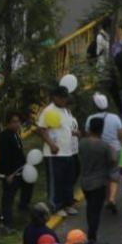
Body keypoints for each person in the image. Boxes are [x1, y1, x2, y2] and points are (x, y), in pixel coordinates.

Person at [38, 86, 80, 215]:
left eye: (65, 98)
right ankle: (56, 206)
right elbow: (41, 129)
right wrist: (51, 144)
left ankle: (68, 204)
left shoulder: (66, 110)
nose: (64, 100)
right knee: (56, 181)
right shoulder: (49, 111)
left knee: (68, 179)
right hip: (55, 153)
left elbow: (64, 128)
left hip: (68, 151)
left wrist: (74, 133)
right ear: (54, 97)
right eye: (61, 98)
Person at [79, 116, 115, 242]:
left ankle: (91, 230)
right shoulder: (104, 146)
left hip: (85, 181)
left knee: (90, 207)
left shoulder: (82, 143)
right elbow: (112, 162)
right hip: (99, 183)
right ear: (101, 129)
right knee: (96, 210)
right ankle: (92, 234)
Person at [0, 112, 32, 232]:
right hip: (10, 173)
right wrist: (8, 174)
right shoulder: (5, 136)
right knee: (8, 198)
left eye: (18, 121)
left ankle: (23, 207)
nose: (17, 124)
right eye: (14, 122)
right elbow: (5, 156)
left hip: (20, 170)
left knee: (28, 186)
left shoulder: (15, 134)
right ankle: (6, 223)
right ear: (7, 123)